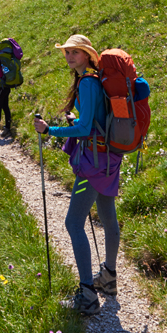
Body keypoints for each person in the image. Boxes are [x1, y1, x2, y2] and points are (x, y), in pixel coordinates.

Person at [34, 34, 120, 316]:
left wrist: (51, 130)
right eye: (67, 52)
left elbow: (84, 130)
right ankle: (108, 279)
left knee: (73, 224)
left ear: (87, 55)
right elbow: (91, 121)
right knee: (107, 217)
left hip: (94, 163)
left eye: (75, 52)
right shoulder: (96, 81)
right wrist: (78, 120)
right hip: (108, 157)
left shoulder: (88, 83)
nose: (69, 57)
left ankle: (88, 296)